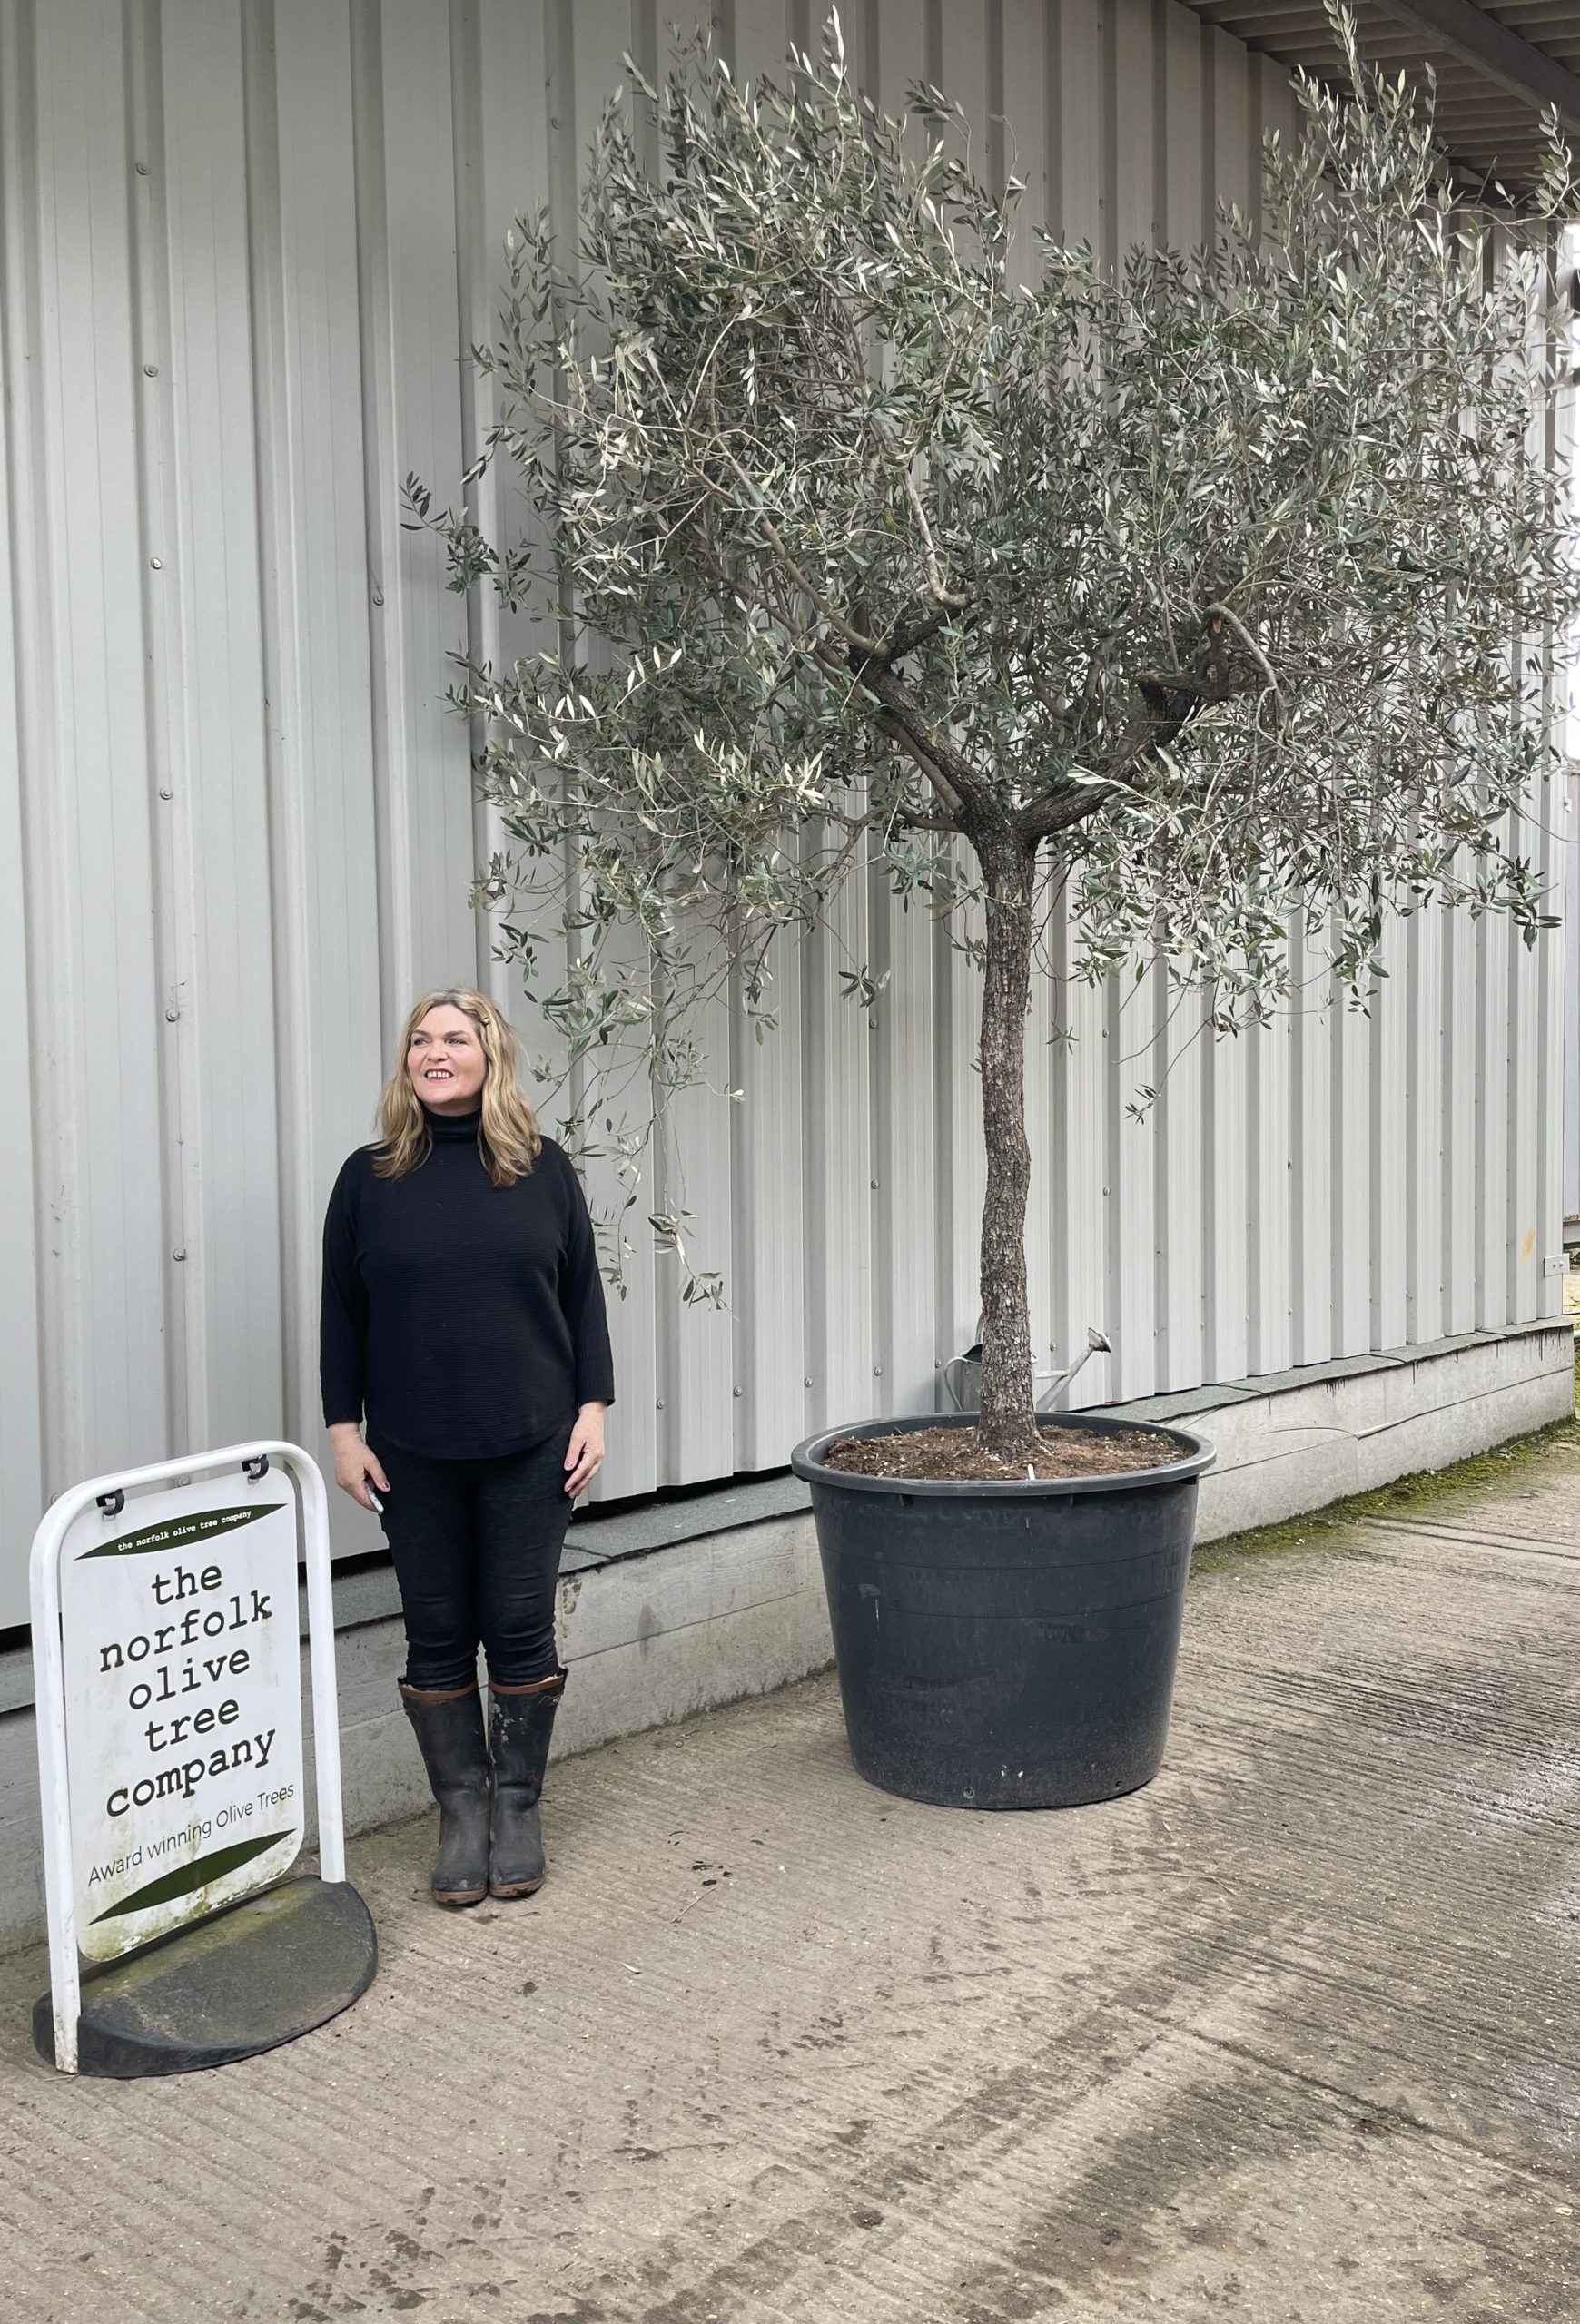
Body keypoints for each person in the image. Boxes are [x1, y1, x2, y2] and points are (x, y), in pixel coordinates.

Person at [320, 986, 614, 1908]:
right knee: (438, 1631)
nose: (434, 1052)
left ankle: (516, 1806)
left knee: (520, 1626)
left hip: (533, 1442)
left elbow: (582, 1298)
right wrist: (343, 1433)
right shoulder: (367, 1179)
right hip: (413, 1453)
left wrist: (593, 1409)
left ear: (491, 1056)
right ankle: (461, 1812)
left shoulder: (543, 1169)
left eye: (454, 1037)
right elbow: (340, 1316)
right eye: (420, 1040)